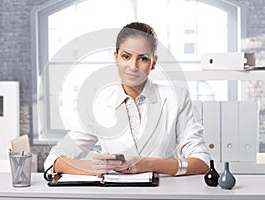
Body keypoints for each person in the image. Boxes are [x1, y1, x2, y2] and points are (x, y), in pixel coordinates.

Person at [44, 22, 210, 176]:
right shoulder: (99, 105)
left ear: (153, 63)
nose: (133, 66)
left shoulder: (176, 98)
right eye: (126, 56)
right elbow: (53, 161)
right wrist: (94, 167)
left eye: (143, 58)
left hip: (164, 193)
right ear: (116, 57)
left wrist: (149, 164)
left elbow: (202, 162)